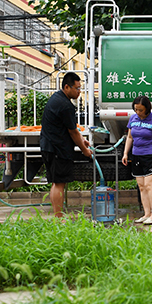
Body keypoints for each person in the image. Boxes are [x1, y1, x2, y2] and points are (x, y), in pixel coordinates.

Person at [40, 72, 93, 218]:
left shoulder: (57, 98)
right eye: (77, 88)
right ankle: (59, 218)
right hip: (57, 149)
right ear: (67, 87)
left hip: (50, 147)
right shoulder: (65, 105)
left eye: (80, 88)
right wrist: (85, 150)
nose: (79, 91)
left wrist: (83, 140)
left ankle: (58, 216)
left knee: (56, 183)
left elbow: (72, 127)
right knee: (59, 183)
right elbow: (73, 132)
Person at [122, 95, 152, 225]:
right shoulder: (133, 118)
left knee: (149, 185)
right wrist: (125, 153)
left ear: (147, 109)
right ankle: (147, 214)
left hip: (150, 155)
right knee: (141, 186)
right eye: (136, 109)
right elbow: (130, 137)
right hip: (136, 155)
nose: (138, 112)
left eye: (141, 110)